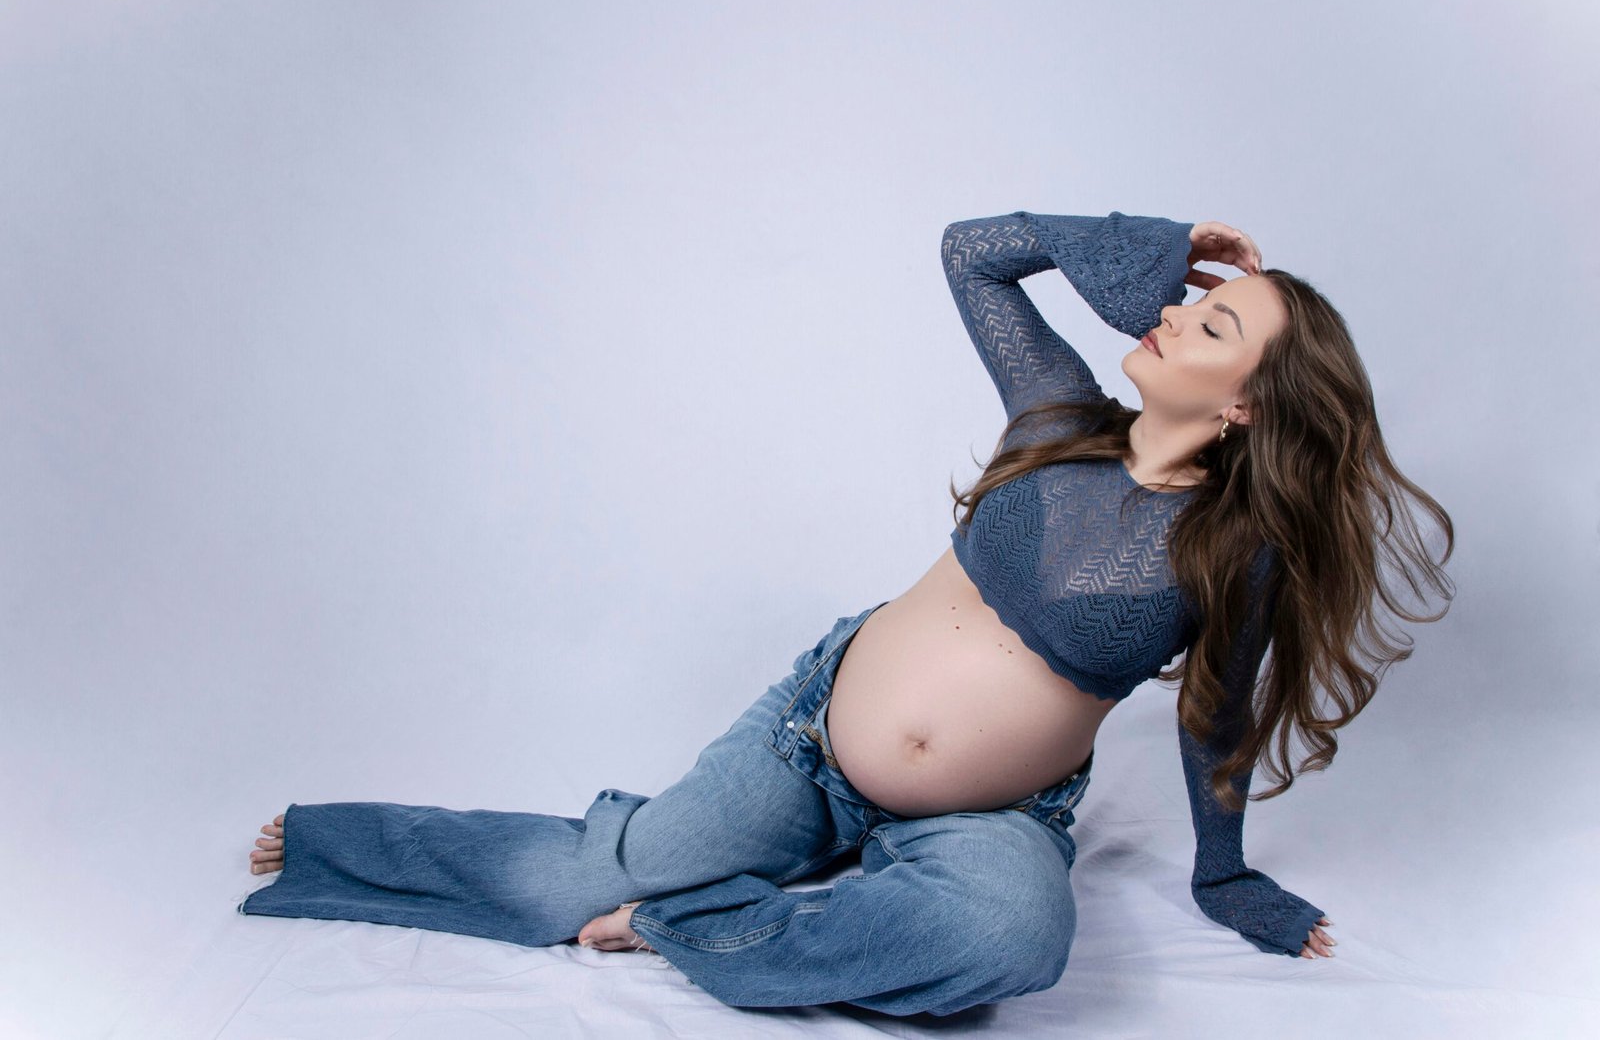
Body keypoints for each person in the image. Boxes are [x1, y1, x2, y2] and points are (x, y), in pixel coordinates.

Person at [241, 208, 1454, 1017]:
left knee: (1014, 944)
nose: (1175, 314)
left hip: (993, 812)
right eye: (1191, 302)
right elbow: (972, 250)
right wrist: (1149, 242)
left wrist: (1226, 874)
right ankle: (330, 839)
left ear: (1247, 407)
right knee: (587, 869)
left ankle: (681, 929)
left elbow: (1213, 714)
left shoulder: (1230, 550)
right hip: (810, 738)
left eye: (1213, 323)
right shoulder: (1054, 413)